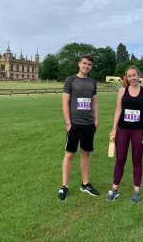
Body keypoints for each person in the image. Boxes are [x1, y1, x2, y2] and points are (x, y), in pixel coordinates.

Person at [107, 65, 143, 203]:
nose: (132, 78)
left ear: (139, 76)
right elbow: (118, 111)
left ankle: (136, 191)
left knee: (137, 160)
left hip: (139, 130)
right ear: (127, 77)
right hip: (123, 130)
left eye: (134, 75)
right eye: (130, 76)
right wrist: (114, 129)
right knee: (120, 159)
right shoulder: (121, 91)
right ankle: (115, 189)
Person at [58, 54, 100, 201]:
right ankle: (64, 186)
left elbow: (94, 103)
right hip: (74, 124)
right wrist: (68, 122)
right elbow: (65, 103)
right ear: (79, 64)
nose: (86, 66)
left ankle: (85, 184)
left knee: (86, 154)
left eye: (89, 64)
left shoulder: (92, 82)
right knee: (69, 154)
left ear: (91, 66)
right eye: (84, 63)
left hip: (89, 124)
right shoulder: (70, 80)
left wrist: (96, 121)